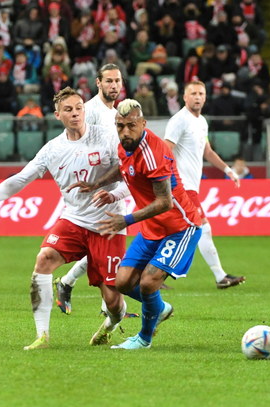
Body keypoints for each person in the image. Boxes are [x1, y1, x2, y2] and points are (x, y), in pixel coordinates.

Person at [0, 87, 127, 349]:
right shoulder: (53, 149)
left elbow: (130, 174)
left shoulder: (107, 137)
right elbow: (20, 180)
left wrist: (114, 196)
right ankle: (42, 335)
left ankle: (112, 323)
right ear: (57, 115)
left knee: (112, 300)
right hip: (73, 220)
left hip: (108, 223)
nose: (75, 113)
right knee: (44, 258)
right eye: (69, 110)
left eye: (79, 108)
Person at [67, 99, 203, 349]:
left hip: (179, 227)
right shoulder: (125, 146)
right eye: (120, 126)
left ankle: (144, 338)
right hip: (152, 228)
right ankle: (159, 308)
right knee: (123, 282)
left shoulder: (154, 152)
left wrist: (126, 219)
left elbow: (165, 202)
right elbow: (124, 169)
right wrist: (96, 185)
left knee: (149, 282)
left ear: (143, 123)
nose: (125, 132)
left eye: (131, 126)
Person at [54, 64, 125, 314]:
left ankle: (68, 282)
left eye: (117, 81)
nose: (114, 86)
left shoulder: (114, 112)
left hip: (114, 187)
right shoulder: (91, 110)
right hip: (97, 191)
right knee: (103, 242)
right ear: (98, 83)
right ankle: (107, 306)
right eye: (109, 81)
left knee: (104, 246)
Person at [164, 81, 245, 289]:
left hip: (191, 186)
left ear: (206, 97)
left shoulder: (201, 122)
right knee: (203, 228)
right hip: (182, 186)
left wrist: (228, 170)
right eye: (193, 93)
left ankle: (148, 274)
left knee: (170, 230)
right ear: (185, 97)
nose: (197, 97)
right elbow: (166, 150)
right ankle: (220, 276)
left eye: (201, 93)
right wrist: (169, 180)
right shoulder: (179, 120)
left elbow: (207, 151)